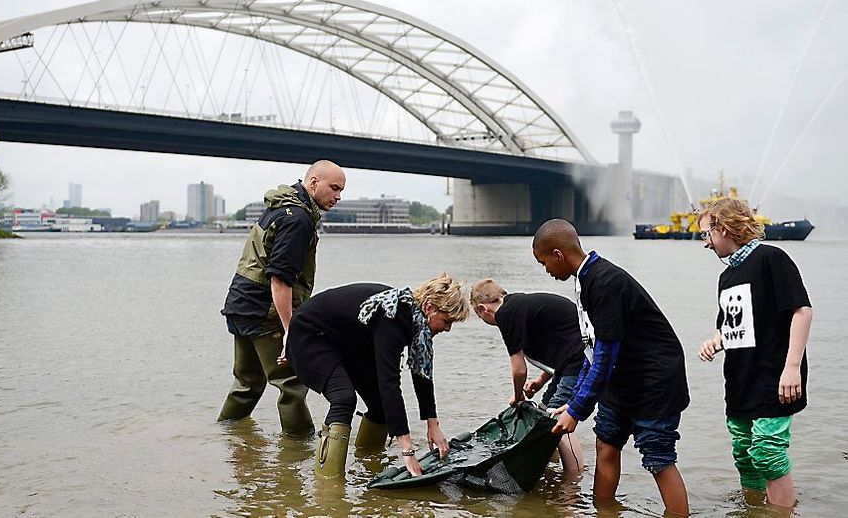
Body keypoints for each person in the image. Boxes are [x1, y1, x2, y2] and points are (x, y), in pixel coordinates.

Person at [532, 218, 691, 517]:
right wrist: (570, 403)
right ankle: (603, 512)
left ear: (558, 254)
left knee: (658, 457)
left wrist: (577, 411)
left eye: (544, 263)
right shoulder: (585, 280)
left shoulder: (604, 282)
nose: (546, 271)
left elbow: (605, 355)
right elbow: (591, 353)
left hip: (653, 380)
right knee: (606, 443)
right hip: (622, 378)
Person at [286, 274, 469, 479]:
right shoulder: (393, 316)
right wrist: (407, 450)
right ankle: (329, 483)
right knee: (344, 398)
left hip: (347, 342)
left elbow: (422, 375)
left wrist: (432, 424)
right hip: (309, 335)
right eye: (446, 321)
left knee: (381, 408)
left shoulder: (418, 327)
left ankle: (367, 463)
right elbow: (389, 383)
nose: (447, 328)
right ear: (429, 307)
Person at [697, 198, 812, 510]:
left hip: (774, 374)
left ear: (723, 229)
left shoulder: (771, 258)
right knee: (744, 453)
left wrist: (792, 368)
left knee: (767, 453)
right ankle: (753, 511)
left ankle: (781, 513)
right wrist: (716, 340)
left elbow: (802, 311)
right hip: (739, 378)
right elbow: (734, 326)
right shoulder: (727, 277)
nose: (705, 243)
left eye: (706, 234)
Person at [217, 160, 346, 435]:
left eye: (341, 191)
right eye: (334, 188)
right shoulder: (298, 219)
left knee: (247, 382)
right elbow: (280, 278)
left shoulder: (279, 207)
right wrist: (291, 330)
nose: (338, 197)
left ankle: (225, 437)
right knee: (292, 383)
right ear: (313, 182)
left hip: (240, 303)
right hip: (265, 311)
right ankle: (299, 450)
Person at [470, 278, 586, 476]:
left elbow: (519, 370)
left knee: (554, 420)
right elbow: (560, 344)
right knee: (542, 413)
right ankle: (550, 469)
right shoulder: (517, 306)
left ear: (483, 309)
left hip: (579, 363)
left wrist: (517, 396)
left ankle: (573, 482)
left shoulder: (505, 314)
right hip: (571, 361)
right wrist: (541, 380)